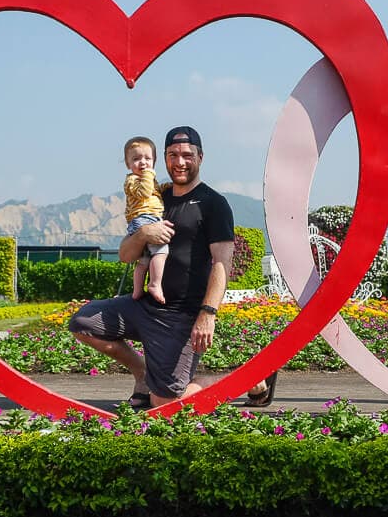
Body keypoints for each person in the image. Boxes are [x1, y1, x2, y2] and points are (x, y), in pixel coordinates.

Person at [69, 126, 277, 409]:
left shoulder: (213, 204)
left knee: (166, 404)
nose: (180, 162)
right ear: (163, 159)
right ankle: (142, 374)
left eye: (187, 155)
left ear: (200, 157)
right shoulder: (155, 199)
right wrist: (144, 235)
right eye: (173, 155)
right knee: (83, 323)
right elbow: (125, 255)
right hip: (144, 307)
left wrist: (207, 314)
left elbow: (221, 264)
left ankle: (251, 378)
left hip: (180, 316)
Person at [122, 136, 168, 304]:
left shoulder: (147, 180)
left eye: (147, 159)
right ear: (128, 164)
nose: (142, 163)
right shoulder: (132, 180)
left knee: (144, 261)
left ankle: (137, 291)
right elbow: (144, 193)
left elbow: (154, 190)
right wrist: (149, 173)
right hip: (145, 220)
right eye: (136, 159)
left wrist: (165, 187)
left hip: (143, 220)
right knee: (161, 252)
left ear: (154, 160)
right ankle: (155, 284)